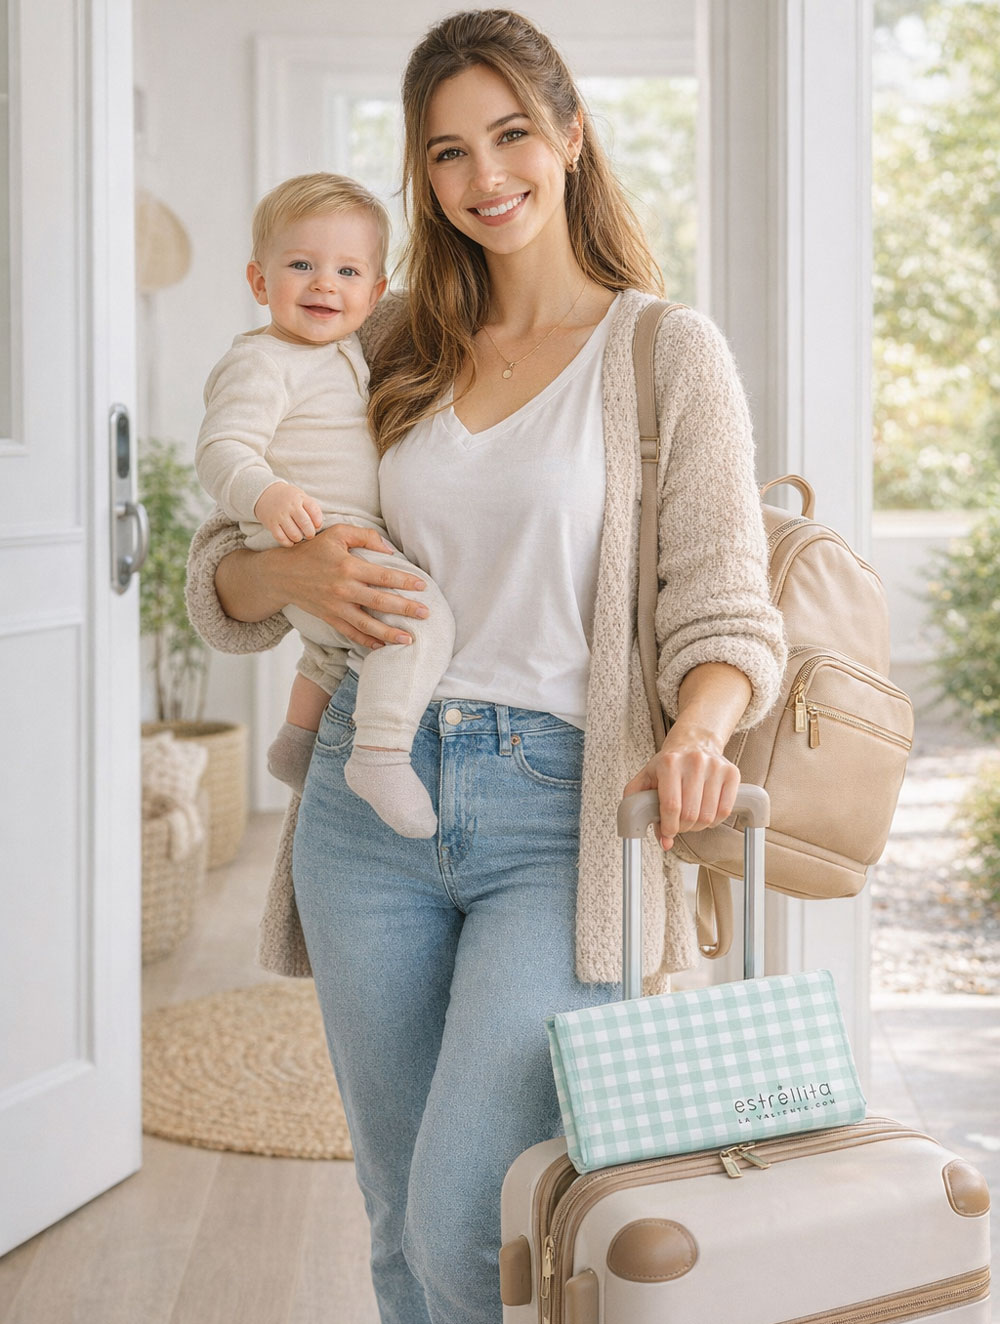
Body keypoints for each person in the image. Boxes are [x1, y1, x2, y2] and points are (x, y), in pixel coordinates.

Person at [185, 11, 786, 1323]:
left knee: (471, 1221)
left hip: (561, 815)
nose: (484, 174)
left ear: (570, 133)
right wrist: (293, 574)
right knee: (398, 1213)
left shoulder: (662, 351)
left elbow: (728, 609)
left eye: (512, 132)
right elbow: (223, 574)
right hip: (365, 792)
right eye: (448, 151)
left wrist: (699, 728)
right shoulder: (386, 337)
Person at [195, 173, 454, 837]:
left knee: (335, 653)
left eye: (346, 271)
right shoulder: (262, 361)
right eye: (301, 265)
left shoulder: (345, 348)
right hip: (311, 535)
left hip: (330, 540)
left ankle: (297, 742)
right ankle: (379, 754)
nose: (323, 285)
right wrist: (266, 492)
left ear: (374, 294)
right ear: (259, 282)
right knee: (418, 623)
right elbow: (221, 449)